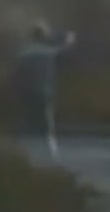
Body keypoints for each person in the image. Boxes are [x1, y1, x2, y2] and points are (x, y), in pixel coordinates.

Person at [14, 22, 76, 159]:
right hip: (45, 90)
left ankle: (25, 154)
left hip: (26, 91)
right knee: (47, 123)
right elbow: (65, 52)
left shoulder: (24, 53)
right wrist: (69, 39)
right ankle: (50, 152)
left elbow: (17, 74)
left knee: (28, 120)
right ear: (44, 37)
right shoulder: (49, 52)